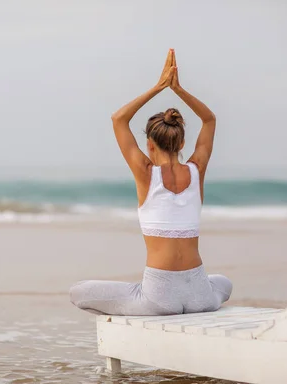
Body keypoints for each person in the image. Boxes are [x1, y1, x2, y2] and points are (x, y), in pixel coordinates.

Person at [69, 49, 232, 316]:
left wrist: (159, 86)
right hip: (200, 294)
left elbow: (118, 119)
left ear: (149, 144)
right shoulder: (196, 170)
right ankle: (178, 298)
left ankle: (139, 303)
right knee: (224, 283)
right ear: (181, 143)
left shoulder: (146, 174)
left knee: (78, 291)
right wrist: (178, 90)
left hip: (159, 297)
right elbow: (209, 119)